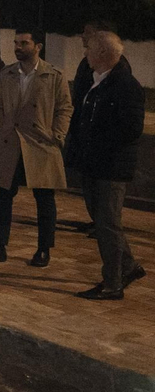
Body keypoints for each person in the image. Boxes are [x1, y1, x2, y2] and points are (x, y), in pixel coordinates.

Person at [0, 29, 72, 268]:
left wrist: (57, 135)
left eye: (24, 43)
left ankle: (44, 249)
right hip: (9, 143)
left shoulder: (54, 75)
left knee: (45, 199)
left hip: (40, 143)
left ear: (38, 46)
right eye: (16, 43)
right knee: (1, 197)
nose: (18, 47)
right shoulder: (7, 73)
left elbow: (64, 108)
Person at [64, 31, 146, 300]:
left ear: (102, 53)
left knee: (107, 224)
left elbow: (131, 130)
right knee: (102, 221)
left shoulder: (126, 86)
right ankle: (129, 267)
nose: (85, 53)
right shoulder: (95, 81)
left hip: (111, 168)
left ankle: (112, 284)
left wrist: (97, 144)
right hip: (92, 164)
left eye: (88, 49)